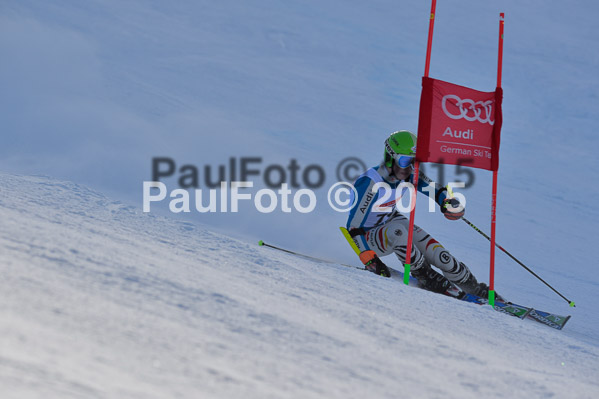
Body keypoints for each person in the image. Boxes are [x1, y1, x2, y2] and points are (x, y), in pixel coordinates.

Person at [346, 130, 499, 299]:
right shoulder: (371, 182)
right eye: (405, 160)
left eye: (414, 160)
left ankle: (472, 286)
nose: (410, 166)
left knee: (439, 255)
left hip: (390, 220)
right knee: (398, 231)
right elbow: (353, 226)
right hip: (368, 236)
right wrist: (369, 259)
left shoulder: (408, 174)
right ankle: (425, 276)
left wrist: (448, 202)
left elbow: (433, 188)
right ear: (390, 157)